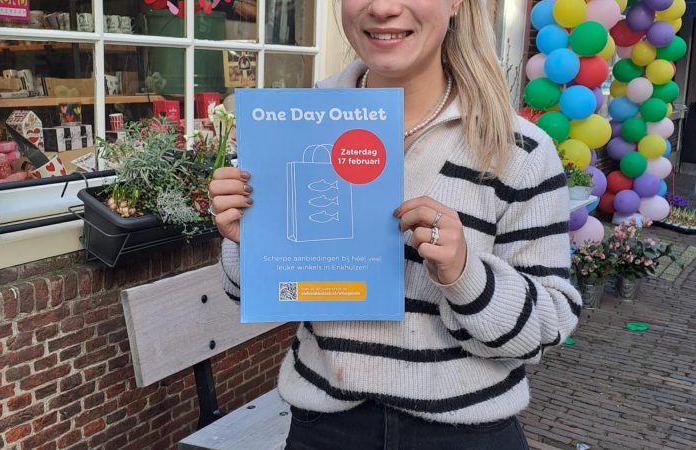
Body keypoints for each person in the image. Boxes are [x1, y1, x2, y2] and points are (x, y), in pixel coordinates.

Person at [208, 1, 581, 448]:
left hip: (465, 434)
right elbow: (253, 293)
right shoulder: (296, 126)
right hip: (324, 430)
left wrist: (466, 276)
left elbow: (548, 325)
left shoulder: (517, 149)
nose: (384, 8)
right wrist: (250, 241)